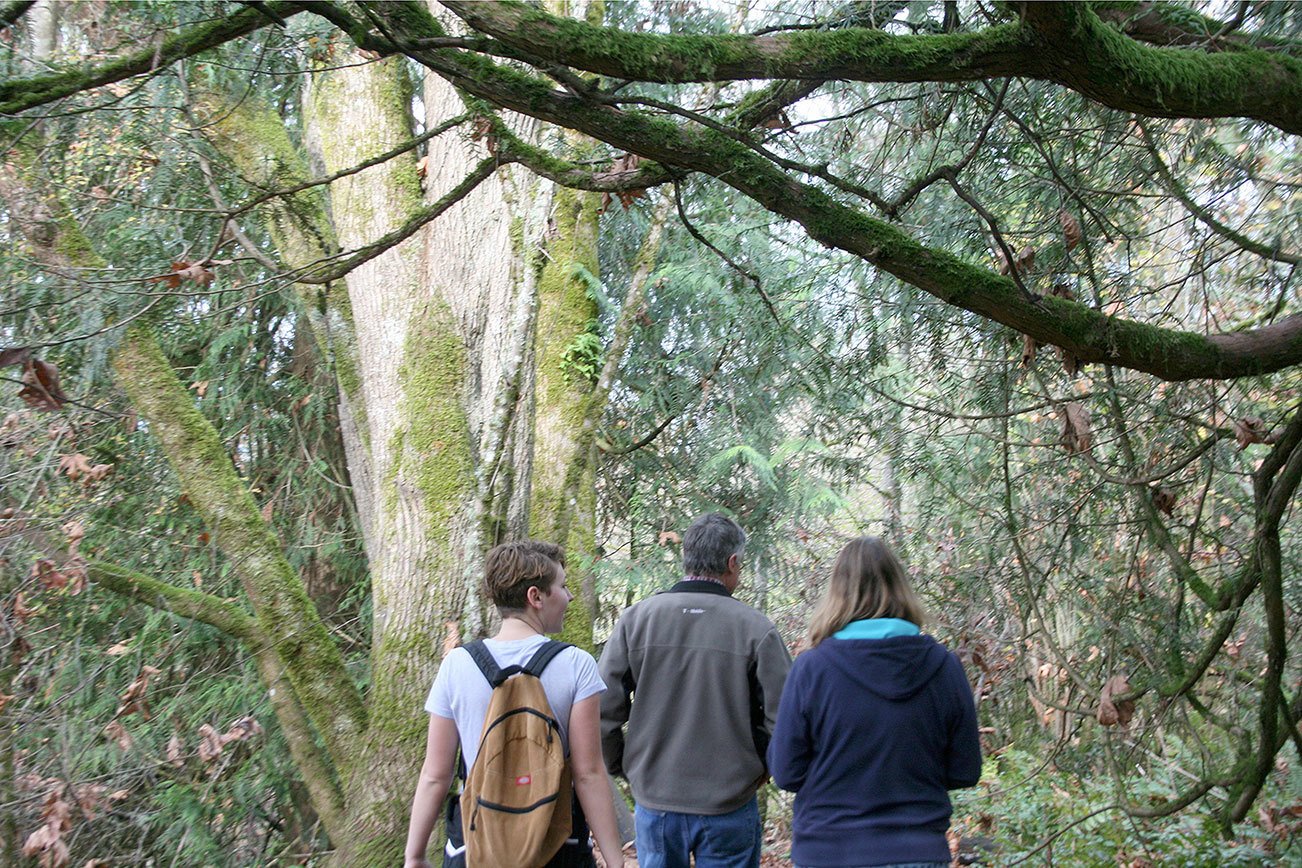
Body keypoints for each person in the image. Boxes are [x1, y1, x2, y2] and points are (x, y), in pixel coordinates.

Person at [404, 541, 625, 868]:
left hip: (475, 844)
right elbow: (588, 773)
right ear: (536, 597)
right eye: (562, 587)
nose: (570, 596)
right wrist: (615, 861)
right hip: (555, 845)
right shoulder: (576, 664)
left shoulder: (458, 665)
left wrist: (414, 855)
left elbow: (436, 774)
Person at [767, 536, 982, 868]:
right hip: (918, 851)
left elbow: (786, 772)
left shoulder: (813, 669)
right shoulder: (944, 666)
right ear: (900, 588)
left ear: (836, 594)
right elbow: (965, 770)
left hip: (828, 851)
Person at [599, 513, 792, 868]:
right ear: (732, 563)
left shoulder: (636, 620)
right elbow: (785, 717)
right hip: (729, 801)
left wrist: (622, 765)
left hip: (655, 798)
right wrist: (766, 768)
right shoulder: (756, 629)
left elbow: (603, 710)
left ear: (686, 557)